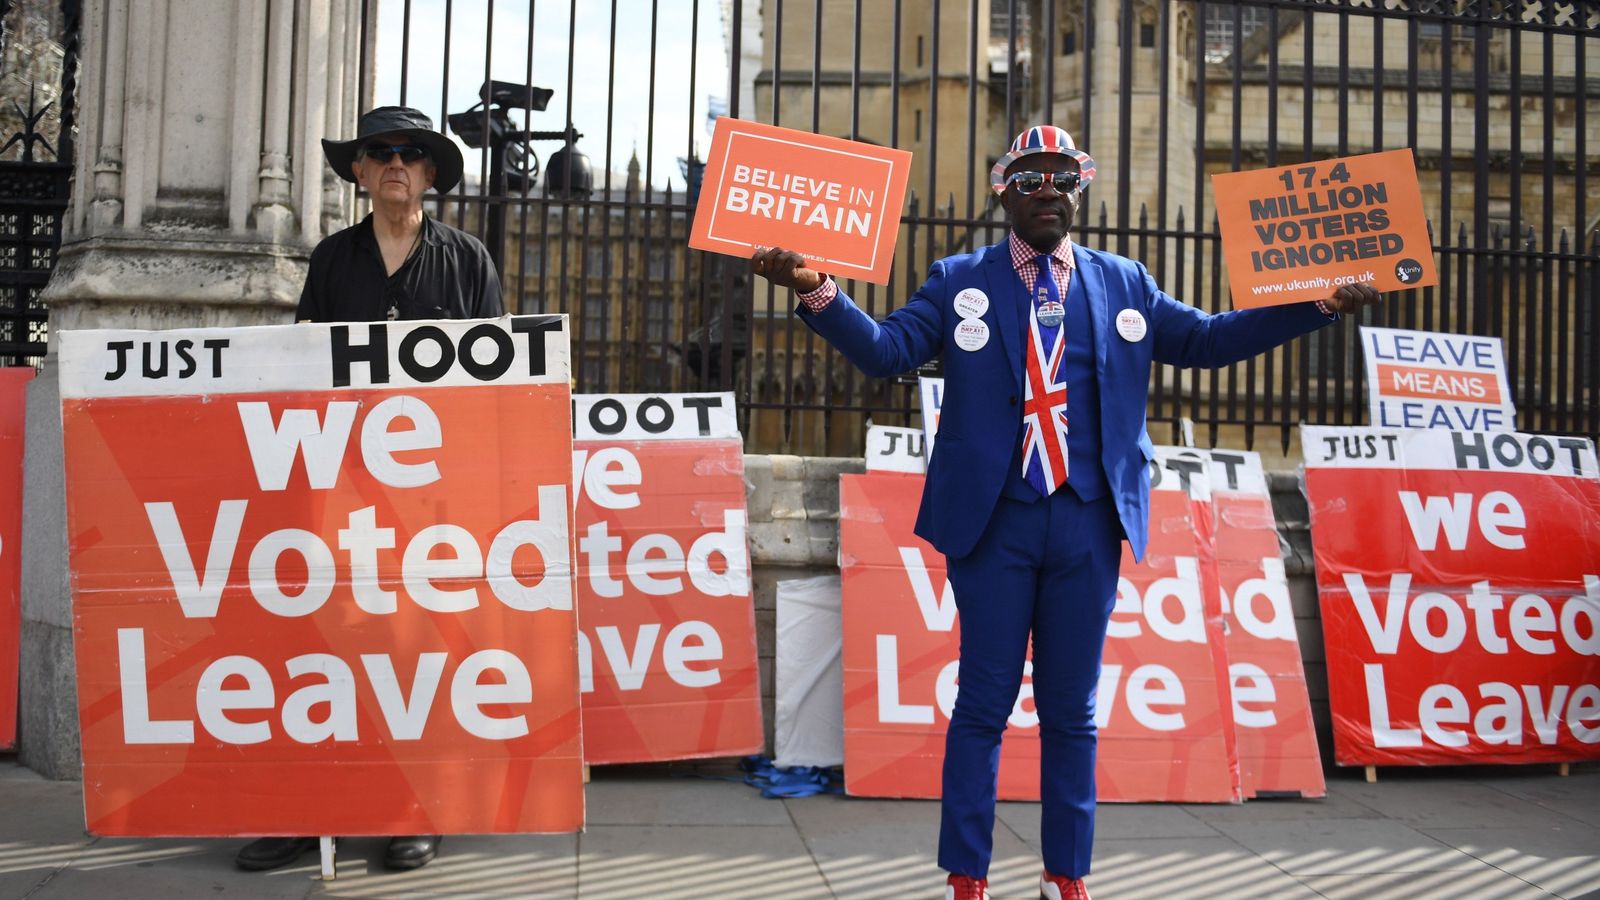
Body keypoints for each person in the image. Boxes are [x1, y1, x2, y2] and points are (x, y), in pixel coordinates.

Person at [752, 125, 1380, 900]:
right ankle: (967, 877)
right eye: (1029, 179)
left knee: (1072, 712)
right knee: (982, 706)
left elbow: (1209, 341)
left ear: (1080, 190)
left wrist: (1316, 304)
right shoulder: (959, 279)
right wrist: (817, 287)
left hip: (1087, 520)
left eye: (1061, 177)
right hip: (994, 523)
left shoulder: (1125, 282)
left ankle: (1066, 874)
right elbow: (887, 351)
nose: (1046, 190)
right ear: (1004, 194)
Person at [234, 105, 503, 873]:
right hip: (338, 492)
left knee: (418, 654)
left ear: (430, 172)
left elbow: (499, 386)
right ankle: (309, 811)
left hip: (431, 500)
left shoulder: (467, 261)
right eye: (379, 151)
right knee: (322, 650)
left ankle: (417, 809)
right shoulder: (331, 261)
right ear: (358, 171)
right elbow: (298, 375)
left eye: (411, 153)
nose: (395, 163)